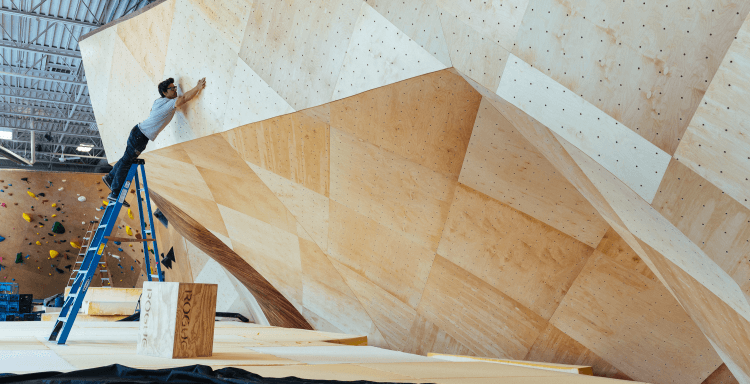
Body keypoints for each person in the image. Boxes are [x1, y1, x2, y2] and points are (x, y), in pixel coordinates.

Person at [102, 77, 207, 206]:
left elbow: (153, 111)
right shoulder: (169, 103)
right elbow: (183, 99)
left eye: (175, 88)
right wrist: (197, 88)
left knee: (126, 158)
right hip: (140, 136)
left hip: (139, 133)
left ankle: (110, 177)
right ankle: (115, 193)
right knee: (126, 162)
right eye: (172, 88)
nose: (175, 90)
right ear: (164, 92)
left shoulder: (159, 101)